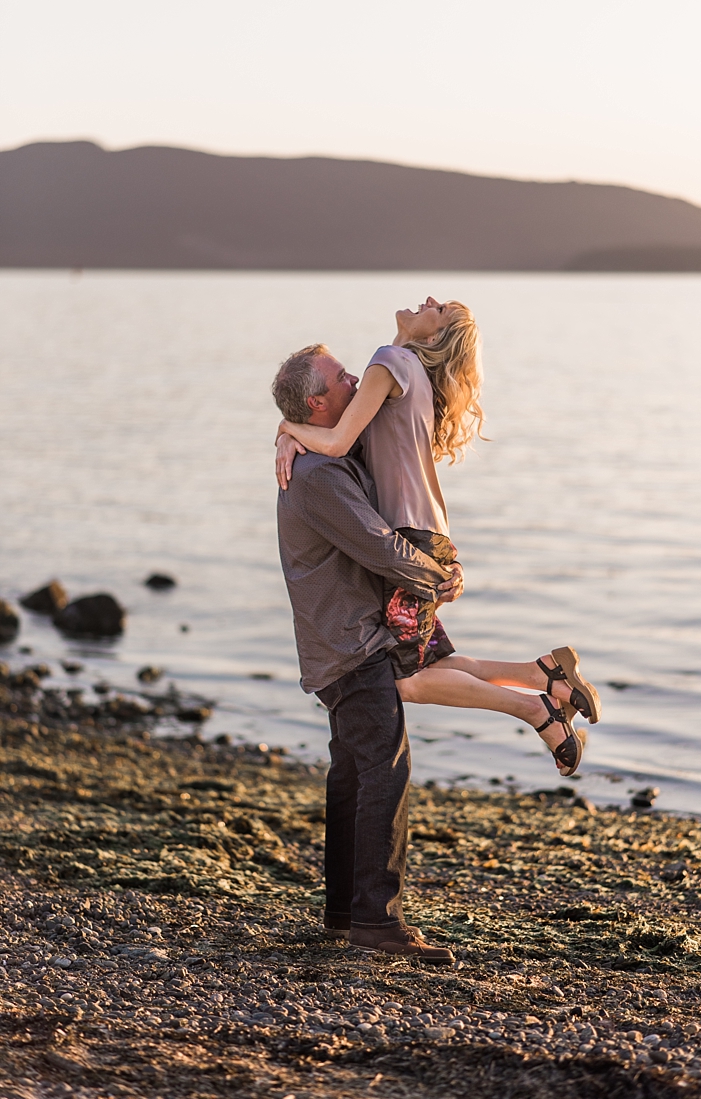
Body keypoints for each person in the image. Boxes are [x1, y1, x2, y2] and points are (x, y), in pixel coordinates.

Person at [273, 299, 599, 776]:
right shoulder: (404, 367)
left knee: (408, 681)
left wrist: (284, 428)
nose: (428, 301)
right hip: (426, 531)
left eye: (440, 309)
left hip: (409, 535)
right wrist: (289, 433)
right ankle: (542, 675)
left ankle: (538, 711)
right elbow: (342, 430)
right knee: (434, 660)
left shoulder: (389, 363)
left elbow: (338, 441)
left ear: (435, 336)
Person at [271, 346, 458, 962]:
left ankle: (344, 912)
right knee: (385, 769)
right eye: (342, 377)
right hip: (350, 647)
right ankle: (378, 923)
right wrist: (439, 575)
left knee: (352, 772)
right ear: (319, 404)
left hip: (338, 642)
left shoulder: (325, 457)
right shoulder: (320, 478)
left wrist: (285, 431)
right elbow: (378, 547)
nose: (355, 378)